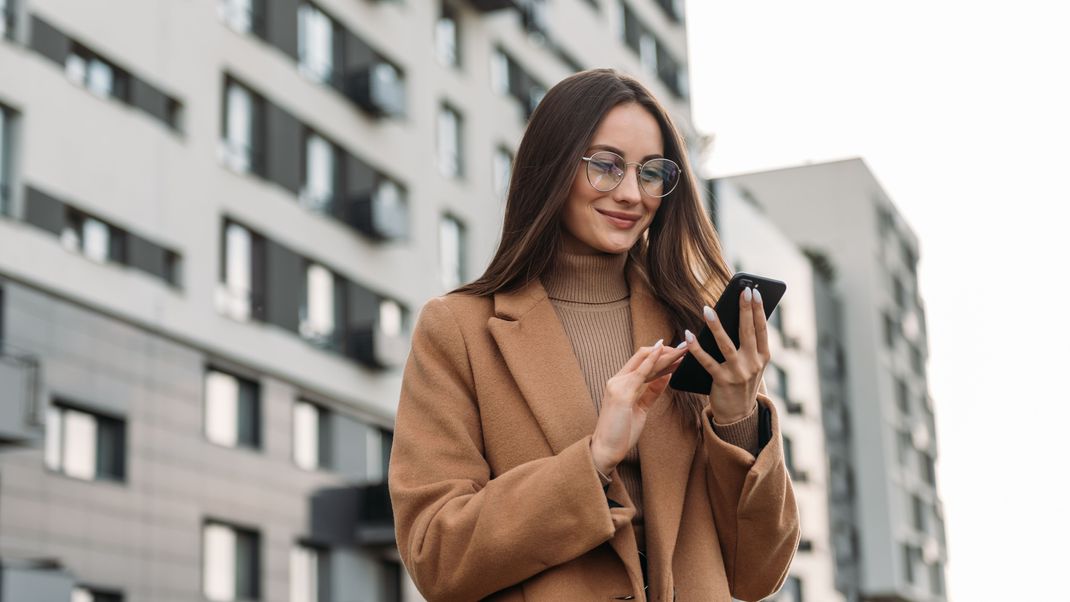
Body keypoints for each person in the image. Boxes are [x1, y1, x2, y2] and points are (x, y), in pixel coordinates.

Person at [388, 68, 800, 602]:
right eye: (605, 166)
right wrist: (593, 459)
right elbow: (435, 555)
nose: (631, 193)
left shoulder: (696, 329)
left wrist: (739, 418)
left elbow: (757, 574)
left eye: (652, 172)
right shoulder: (459, 330)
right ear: (553, 166)